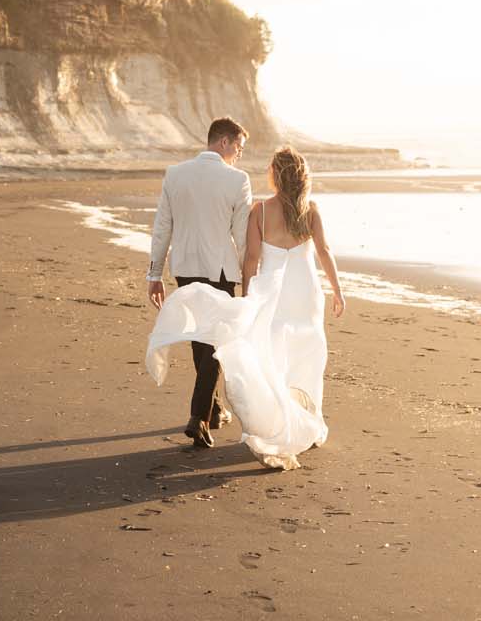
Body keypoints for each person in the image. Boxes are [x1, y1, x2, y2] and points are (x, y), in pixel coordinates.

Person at [147, 145, 346, 470]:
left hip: (271, 293)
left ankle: (279, 419)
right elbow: (324, 251)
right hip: (306, 292)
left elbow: (251, 260)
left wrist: (249, 298)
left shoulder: (261, 212)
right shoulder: (310, 210)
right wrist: (337, 290)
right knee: (308, 353)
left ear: (275, 175)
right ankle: (306, 420)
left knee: (272, 355)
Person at [146, 117, 253, 448]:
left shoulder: (175, 174)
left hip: (185, 268)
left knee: (200, 341)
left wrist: (154, 274)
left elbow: (162, 226)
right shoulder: (237, 179)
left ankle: (214, 407)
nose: (239, 154)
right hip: (220, 271)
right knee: (215, 344)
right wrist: (250, 279)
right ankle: (199, 416)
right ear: (223, 142)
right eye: (238, 147)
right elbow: (243, 237)